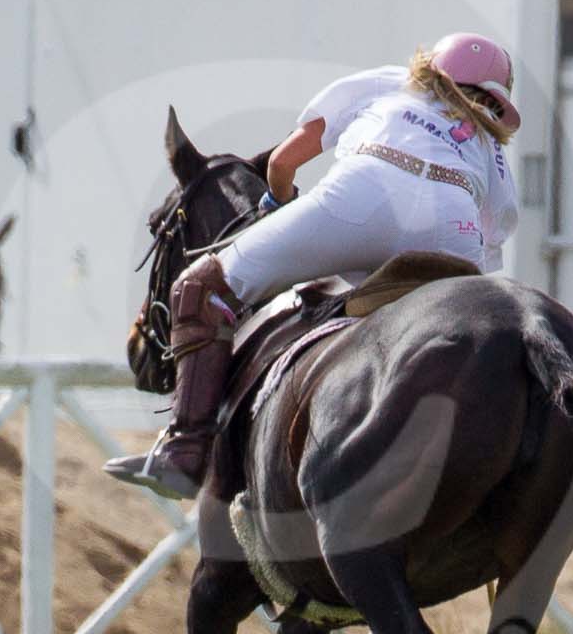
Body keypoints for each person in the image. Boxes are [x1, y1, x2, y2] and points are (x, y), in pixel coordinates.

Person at [104, 32, 522, 499]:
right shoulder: (494, 150)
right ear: (495, 102)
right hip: (454, 221)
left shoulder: (389, 82)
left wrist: (277, 205)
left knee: (200, 286)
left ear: (430, 67)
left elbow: (282, 163)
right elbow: (491, 244)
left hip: (364, 193)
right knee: (470, 342)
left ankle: (184, 451)